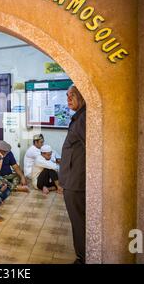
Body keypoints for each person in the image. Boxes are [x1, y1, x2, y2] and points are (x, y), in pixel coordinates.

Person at [59, 85, 86, 264]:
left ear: (82, 96)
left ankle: (83, 258)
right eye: (67, 96)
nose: (68, 99)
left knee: (79, 223)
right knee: (78, 222)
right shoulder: (79, 117)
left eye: (72, 96)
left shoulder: (84, 118)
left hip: (76, 182)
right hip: (73, 180)